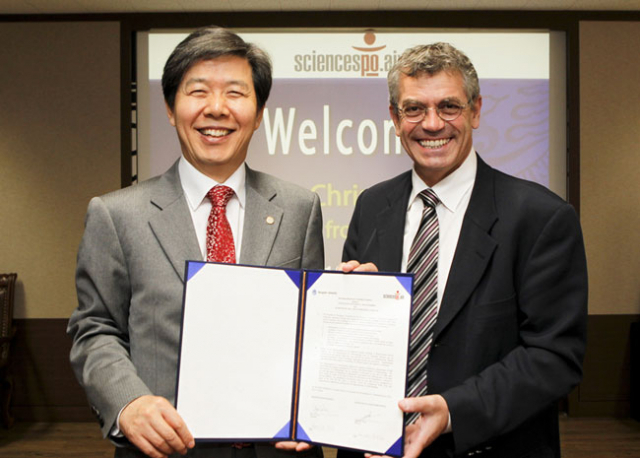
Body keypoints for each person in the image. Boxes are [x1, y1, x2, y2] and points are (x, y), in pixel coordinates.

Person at [68, 26, 324, 458]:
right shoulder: (117, 214)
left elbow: (310, 331)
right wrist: (128, 401)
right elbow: (94, 328)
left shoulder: (300, 209)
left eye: (236, 93)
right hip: (164, 449)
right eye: (198, 91)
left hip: (277, 449)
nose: (217, 109)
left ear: (259, 112)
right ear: (171, 108)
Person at [338, 43, 587, 458]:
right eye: (414, 109)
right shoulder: (371, 206)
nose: (431, 124)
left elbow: (555, 356)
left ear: (475, 110)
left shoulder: (542, 217)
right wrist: (349, 306)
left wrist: (455, 410)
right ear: (395, 119)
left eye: (449, 107)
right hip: (374, 448)